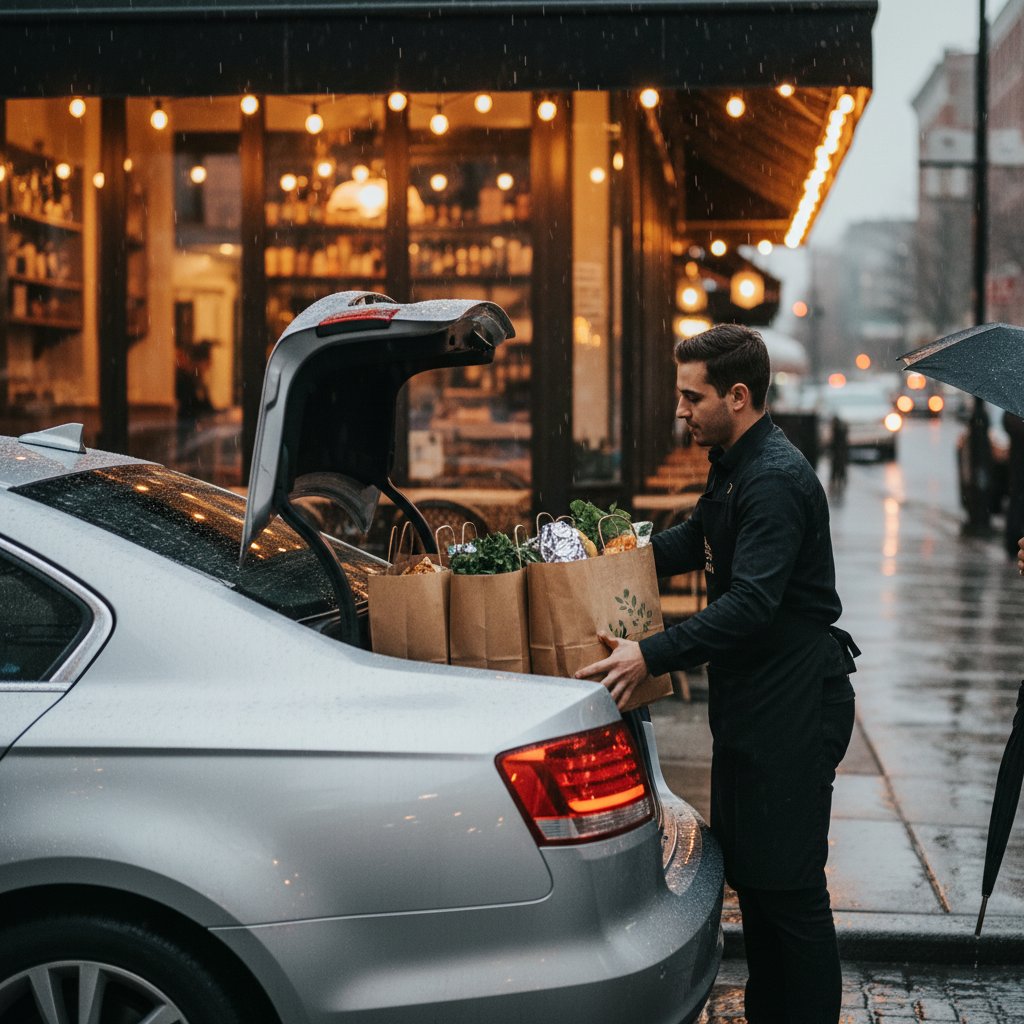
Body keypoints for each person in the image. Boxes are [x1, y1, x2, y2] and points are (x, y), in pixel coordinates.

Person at [576, 324, 859, 1024]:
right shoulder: (734, 462)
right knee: (758, 884)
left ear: (738, 395)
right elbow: (691, 542)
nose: (680, 411)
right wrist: (598, 559)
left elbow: (751, 606)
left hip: (794, 704)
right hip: (755, 704)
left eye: (690, 396)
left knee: (789, 893)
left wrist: (651, 652)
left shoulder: (774, 480)